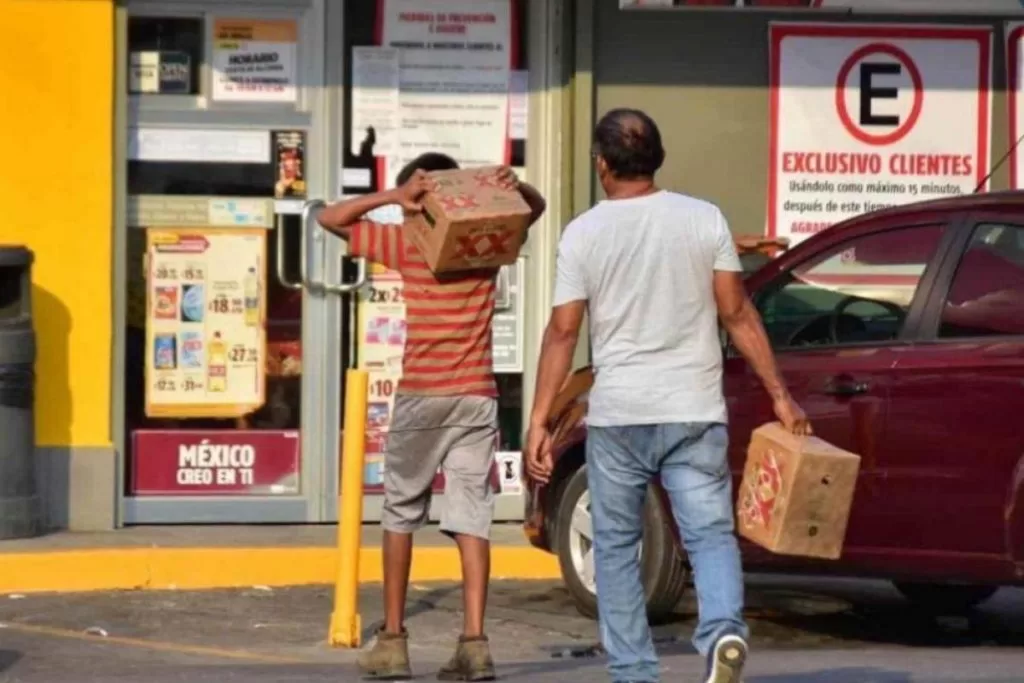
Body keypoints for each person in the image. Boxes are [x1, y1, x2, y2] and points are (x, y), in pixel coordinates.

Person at [524, 109, 811, 683]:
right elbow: (736, 312)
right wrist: (781, 395)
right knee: (708, 535)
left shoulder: (584, 233)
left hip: (620, 416)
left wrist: (539, 418)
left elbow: (562, 331)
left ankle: (633, 670)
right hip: (695, 410)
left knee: (616, 545)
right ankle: (725, 629)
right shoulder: (704, 220)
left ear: (603, 164)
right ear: (657, 159)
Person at [318, 152, 546, 681]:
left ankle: (394, 642)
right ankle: (474, 643)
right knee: (473, 520)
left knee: (400, 514)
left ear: (422, 204)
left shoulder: (406, 243)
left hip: (423, 395)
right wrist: (514, 188)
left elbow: (329, 218)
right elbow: (531, 210)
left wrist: (392, 196)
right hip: (476, 398)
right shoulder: (487, 245)